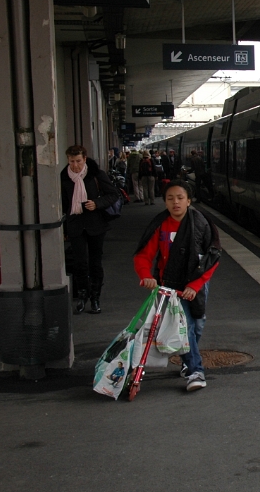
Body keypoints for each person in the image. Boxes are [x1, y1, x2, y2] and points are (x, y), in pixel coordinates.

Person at [133, 180, 221, 392]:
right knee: (187, 327)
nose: (176, 203)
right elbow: (144, 255)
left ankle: (186, 359)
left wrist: (196, 284)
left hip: (196, 284)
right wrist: (146, 276)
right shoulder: (159, 225)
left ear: (189, 201)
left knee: (198, 324)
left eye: (180, 198)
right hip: (171, 286)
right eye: (170, 199)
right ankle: (194, 371)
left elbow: (212, 257)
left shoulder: (201, 223)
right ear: (164, 202)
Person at [61, 144, 119, 314]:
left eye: (78, 161)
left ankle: (95, 298)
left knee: (95, 262)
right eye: (72, 161)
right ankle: (82, 296)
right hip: (75, 225)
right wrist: (65, 229)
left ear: (84, 159)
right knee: (79, 263)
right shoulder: (64, 177)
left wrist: (97, 203)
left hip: (95, 224)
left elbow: (113, 194)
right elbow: (63, 204)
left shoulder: (96, 174)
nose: (75, 165)